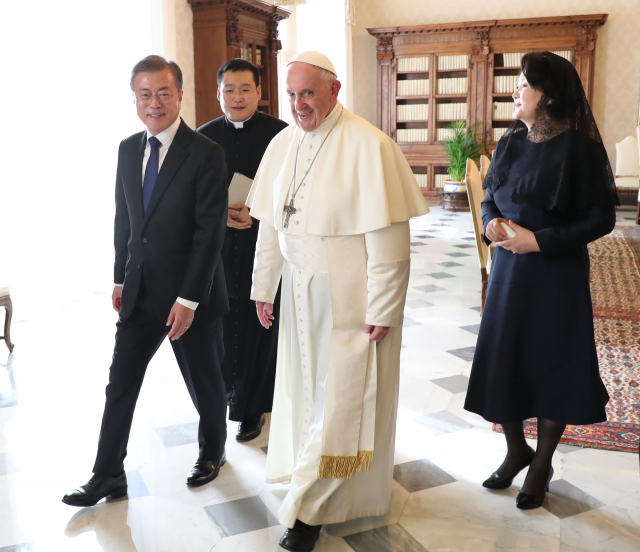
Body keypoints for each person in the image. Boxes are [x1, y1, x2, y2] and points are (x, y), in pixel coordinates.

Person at [247, 51, 429, 552]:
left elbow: (390, 241)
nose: (299, 104)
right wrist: (265, 287)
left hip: (349, 297)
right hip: (298, 293)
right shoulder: (283, 143)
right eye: (291, 95)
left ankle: (310, 511)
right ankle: (309, 479)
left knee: (343, 400)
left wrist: (383, 307)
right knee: (307, 393)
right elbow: (270, 225)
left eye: (308, 93)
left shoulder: (370, 146)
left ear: (334, 90)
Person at [62, 55, 229, 507]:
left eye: (162, 93)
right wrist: (119, 277)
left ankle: (213, 453)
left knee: (205, 382)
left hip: (189, 297)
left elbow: (208, 232)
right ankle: (108, 474)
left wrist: (189, 298)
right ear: (134, 98)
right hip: (139, 292)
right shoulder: (126, 148)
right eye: (144, 94)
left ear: (179, 95)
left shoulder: (206, 154)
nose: (153, 102)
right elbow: (126, 220)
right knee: (120, 384)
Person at [464, 52, 618, 510]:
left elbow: (601, 218)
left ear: (548, 95)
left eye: (524, 84)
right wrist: (491, 222)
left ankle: (541, 462)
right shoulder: (513, 138)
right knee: (505, 358)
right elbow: (491, 194)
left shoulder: (580, 148)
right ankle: (516, 450)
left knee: (553, 365)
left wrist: (541, 241)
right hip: (509, 273)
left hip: (556, 274)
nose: (515, 91)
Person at [198, 59, 287, 443]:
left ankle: (253, 409)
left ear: (259, 93)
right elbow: (191, 198)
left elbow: (294, 191)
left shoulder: (282, 136)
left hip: (264, 248)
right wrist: (222, 214)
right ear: (218, 94)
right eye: (229, 90)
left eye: (245, 89)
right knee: (222, 328)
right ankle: (226, 400)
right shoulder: (202, 138)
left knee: (258, 329)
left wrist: (258, 210)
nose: (236, 97)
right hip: (218, 252)